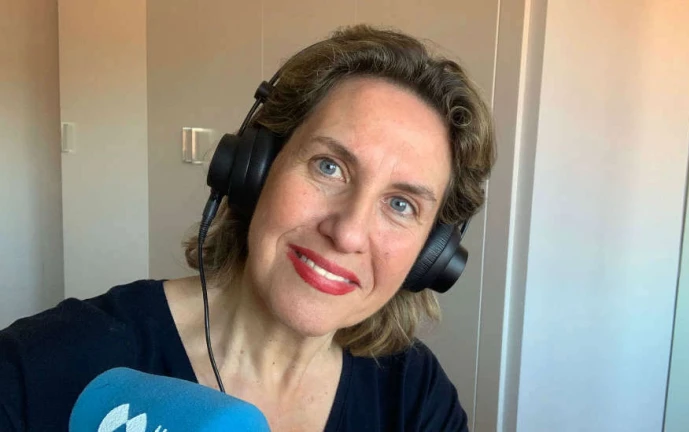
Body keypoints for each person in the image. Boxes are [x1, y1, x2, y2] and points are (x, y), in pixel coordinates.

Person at [0, 24, 495, 431]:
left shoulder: (415, 395)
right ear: (253, 170)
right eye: (329, 167)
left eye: (401, 205)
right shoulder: (45, 363)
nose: (347, 233)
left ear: (430, 255)